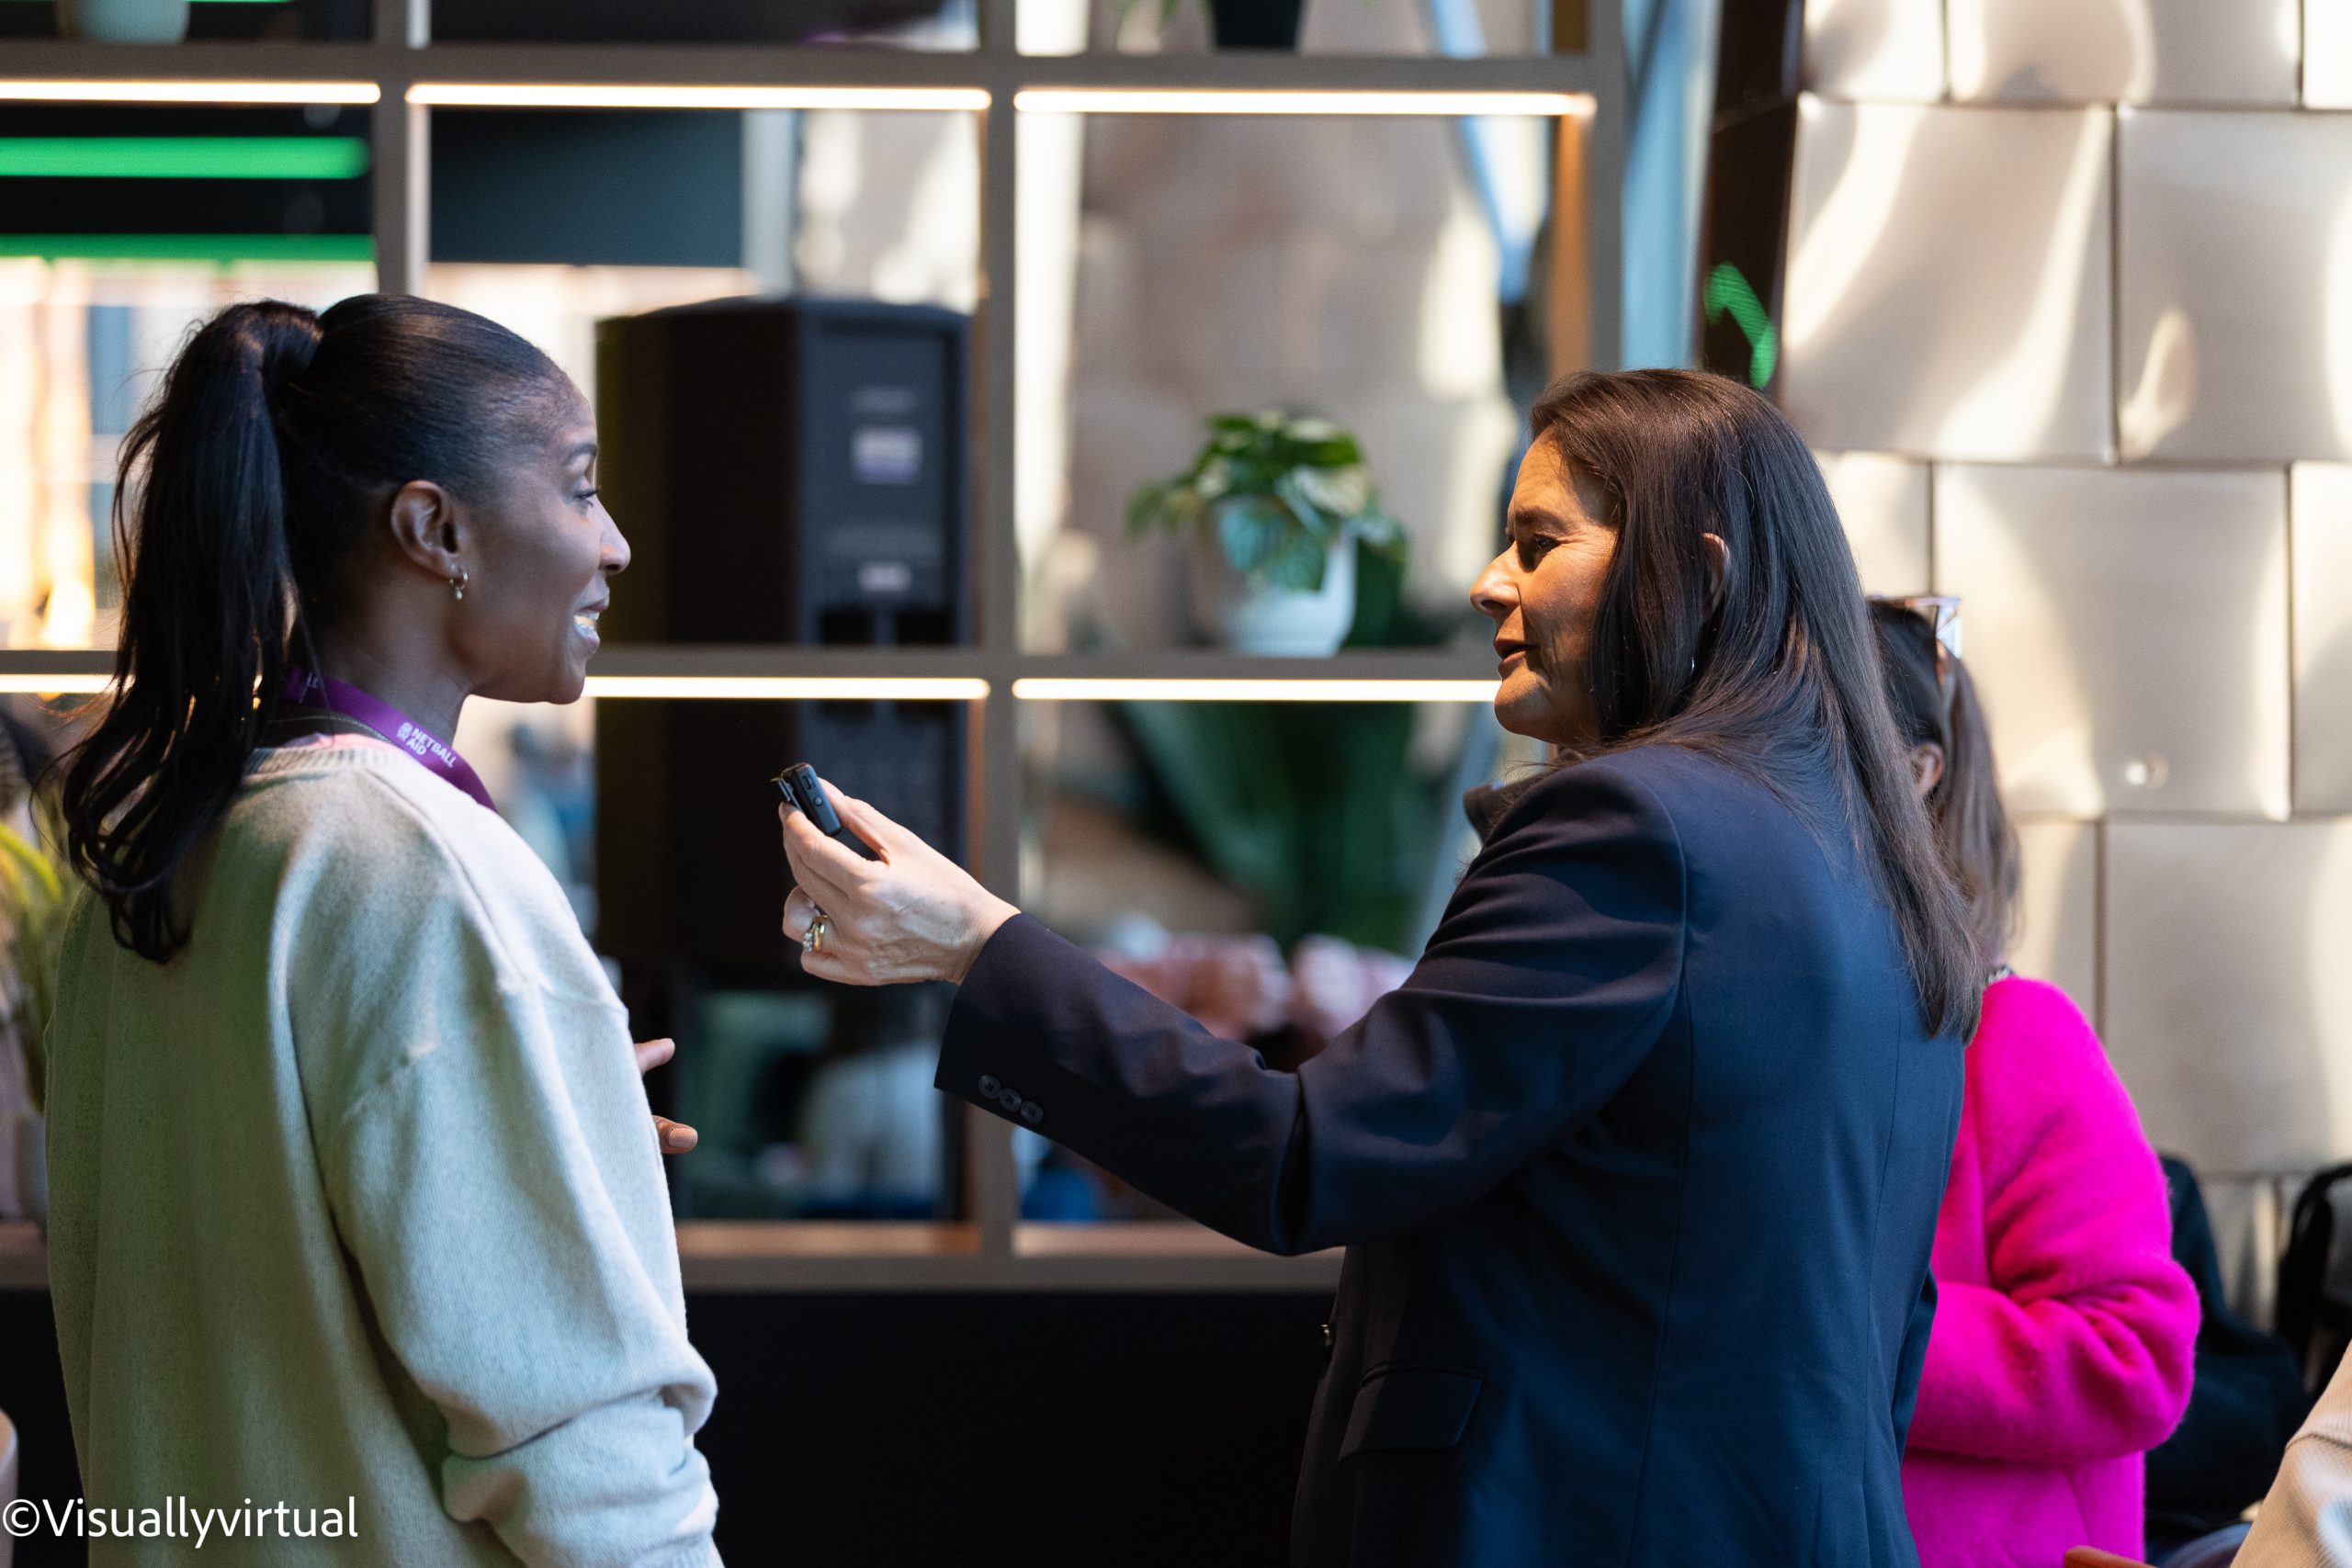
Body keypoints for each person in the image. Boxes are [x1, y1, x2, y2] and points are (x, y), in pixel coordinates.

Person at [776, 367, 1982, 1566]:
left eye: (1539, 542)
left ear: (1699, 575)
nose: (1489, 581)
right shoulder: (1874, 865)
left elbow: (1304, 1158)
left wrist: (976, 944)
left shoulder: (1637, 827)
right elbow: (1888, 1335)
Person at [46, 297, 720, 1565]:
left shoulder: (153, 865)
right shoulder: (421, 868)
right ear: (433, 529)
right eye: (581, 487)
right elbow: (581, 1443)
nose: (614, 543)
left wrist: (533, 1122)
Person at [1871, 601, 2199, 1567]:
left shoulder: (2017, 1033)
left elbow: (2135, 1357)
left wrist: (1867, 1333)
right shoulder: (1819, 1032)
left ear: (1918, 772)